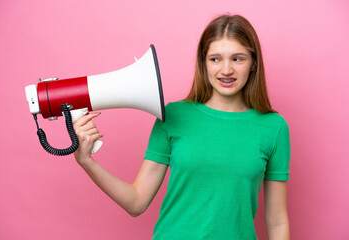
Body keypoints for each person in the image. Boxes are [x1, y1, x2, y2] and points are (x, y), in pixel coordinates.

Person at [73, 14, 291, 240]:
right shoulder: (173, 116)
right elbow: (136, 202)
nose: (226, 70)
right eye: (215, 59)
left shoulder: (273, 128)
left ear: (253, 63)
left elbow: (277, 222)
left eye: (238, 59)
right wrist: (86, 161)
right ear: (203, 62)